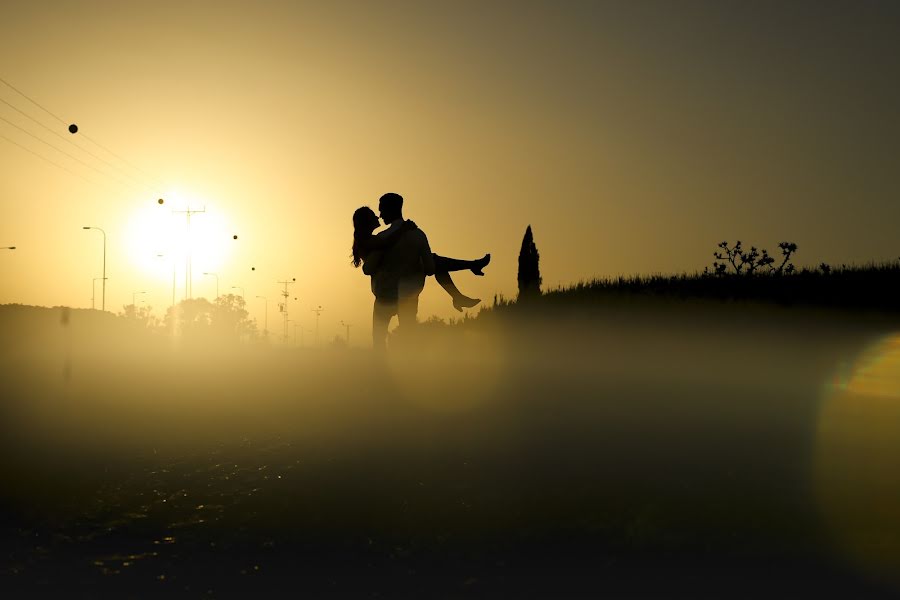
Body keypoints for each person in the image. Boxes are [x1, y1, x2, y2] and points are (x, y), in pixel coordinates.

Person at [350, 193, 490, 349]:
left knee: (379, 341)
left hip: (384, 295)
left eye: (381, 211)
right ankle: (468, 273)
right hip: (408, 296)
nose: (380, 216)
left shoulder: (382, 237)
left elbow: (369, 268)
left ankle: (381, 371)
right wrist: (415, 265)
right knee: (409, 342)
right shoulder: (417, 235)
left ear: (389, 210)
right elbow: (430, 269)